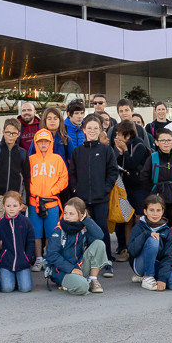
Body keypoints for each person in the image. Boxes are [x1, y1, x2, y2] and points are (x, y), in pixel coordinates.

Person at [69, 114, 118, 266]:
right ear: (84, 129)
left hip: (101, 198)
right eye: (89, 128)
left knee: (102, 229)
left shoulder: (106, 150)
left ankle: (106, 260)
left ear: (101, 130)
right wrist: (76, 190)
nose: (92, 131)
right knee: (85, 230)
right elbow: (72, 173)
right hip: (83, 200)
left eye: (96, 128)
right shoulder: (77, 151)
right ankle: (87, 262)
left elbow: (113, 171)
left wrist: (106, 189)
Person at [45, 197, 110, 294]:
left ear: (80, 215)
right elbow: (52, 255)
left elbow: (100, 235)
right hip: (62, 271)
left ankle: (92, 279)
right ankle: (73, 283)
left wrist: (86, 220)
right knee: (83, 286)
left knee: (99, 243)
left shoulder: (83, 228)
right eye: (65, 213)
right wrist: (71, 269)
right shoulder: (59, 230)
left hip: (79, 267)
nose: (67, 216)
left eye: (71, 214)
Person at [28, 129, 68, 270]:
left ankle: (49, 258)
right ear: (36, 143)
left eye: (46, 141)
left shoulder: (57, 159)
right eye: (40, 142)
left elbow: (64, 177)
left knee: (52, 232)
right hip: (35, 202)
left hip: (51, 202)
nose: (43, 144)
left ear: (51, 142)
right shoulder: (31, 159)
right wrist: (32, 191)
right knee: (36, 232)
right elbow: (27, 178)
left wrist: (53, 190)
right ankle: (39, 258)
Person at [0, 190, 34, 293]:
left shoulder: (26, 222)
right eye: (8, 206)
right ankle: (11, 279)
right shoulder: (0, 225)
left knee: (25, 288)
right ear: (3, 206)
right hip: (6, 263)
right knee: (7, 288)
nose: (11, 209)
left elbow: (31, 242)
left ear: (21, 207)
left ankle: (18, 278)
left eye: (15, 206)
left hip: (22, 262)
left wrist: (27, 258)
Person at [129, 194, 172, 291]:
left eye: (158, 210)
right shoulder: (139, 226)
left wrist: (162, 278)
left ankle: (148, 277)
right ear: (145, 211)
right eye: (151, 210)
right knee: (153, 240)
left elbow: (167, 256)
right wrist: (146, 234)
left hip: (156, 263)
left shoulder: (167, 230)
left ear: (163, 212)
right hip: (140, 263)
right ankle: (147, 276)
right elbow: (132, 250)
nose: (155, 214)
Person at [0, 117, 29, 212]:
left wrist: (25, 201)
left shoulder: (23, 153)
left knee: (16, 226)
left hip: (16, 197)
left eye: (14, 133)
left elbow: (26, 178)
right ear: (3, 132)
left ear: (18, 134)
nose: (10, 136)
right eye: (8, 132)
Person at [149, 129, 172, 219]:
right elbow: (144, 176)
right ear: (156, 142)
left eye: (169, 140)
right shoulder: (152, 158)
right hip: (157, 196)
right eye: (162, 140)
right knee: (159, 221)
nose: (166, 143)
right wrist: (152, 189)